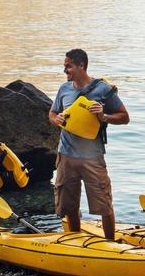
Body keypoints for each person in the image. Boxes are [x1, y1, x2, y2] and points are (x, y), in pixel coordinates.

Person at [48, 49, 129, 240]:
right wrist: (56, 119)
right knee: (69, 205)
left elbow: (125, 117)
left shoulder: (103, 89)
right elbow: (51, 114)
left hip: (92, 157)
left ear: (81, 66)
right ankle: (75, 241)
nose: (65, 70)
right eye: (64, 66)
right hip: (66, 155)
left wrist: (104, 116)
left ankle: (111, 243)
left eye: (68, 66)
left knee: (104, 204)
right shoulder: (64, 89)